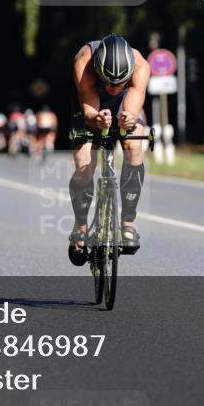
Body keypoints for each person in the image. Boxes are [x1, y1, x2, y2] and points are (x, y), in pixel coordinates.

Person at [68, 34, 150, 265]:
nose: (114, 88)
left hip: (125, 104)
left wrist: (128, 119)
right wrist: (97, 119)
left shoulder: (141, 65)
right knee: (84, 164)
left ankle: (128, 224)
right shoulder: (84, 62)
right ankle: (81, 227)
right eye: (109, 83)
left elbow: (133, 107)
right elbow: (89, 110)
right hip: (90, 102)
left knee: (134, 144)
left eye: (120, 83)